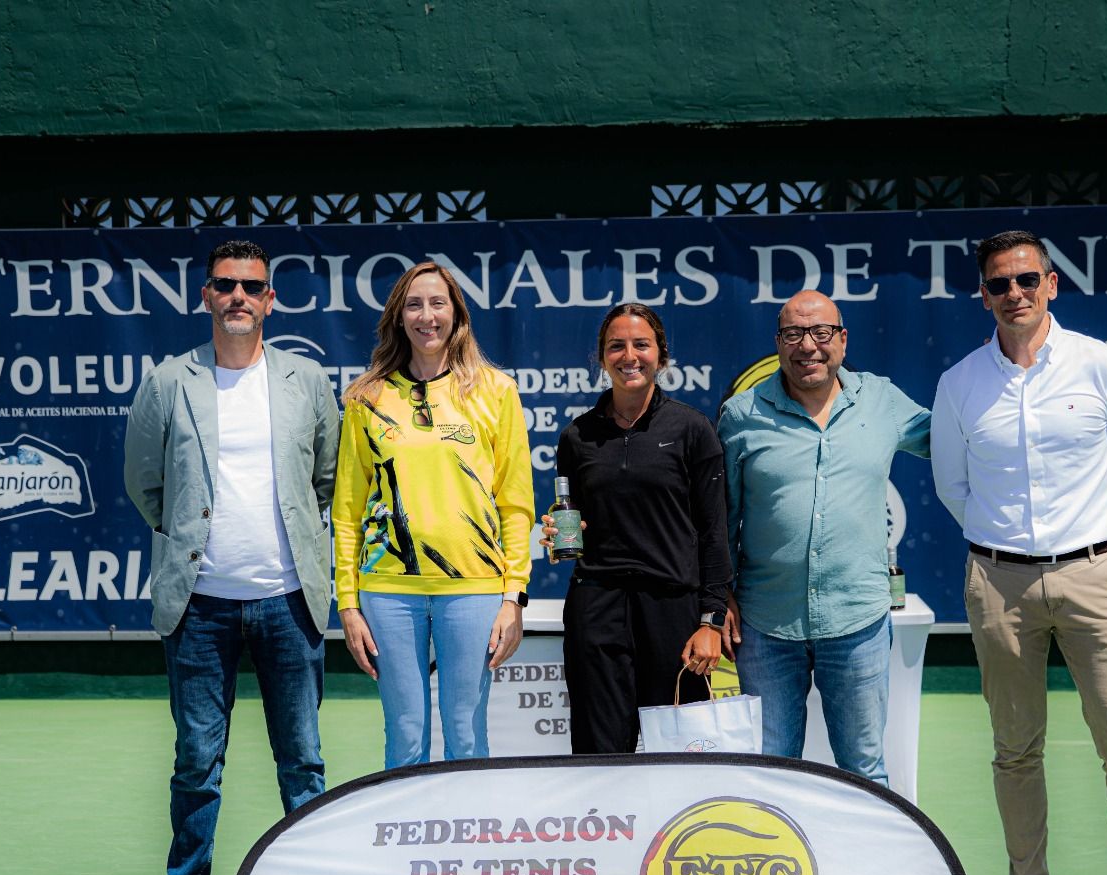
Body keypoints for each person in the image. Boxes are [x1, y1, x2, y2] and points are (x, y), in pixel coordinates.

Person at [930, 229, 1107, 875]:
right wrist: (1005, 549)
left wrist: (1101, 541)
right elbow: (953, 485)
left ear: (1052, 284)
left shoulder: (1103, 365)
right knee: (1015, 750)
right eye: (1000, 283)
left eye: (1027, 279)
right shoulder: (961, 383)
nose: (1016, 294)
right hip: (998, 582)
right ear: (984, 294)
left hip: (1095, 577)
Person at [124, 239, 339, 875]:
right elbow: (145, 482)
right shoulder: (168, 381)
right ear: (205, 297)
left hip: (288, 602)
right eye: (225, 286)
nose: (239, 297)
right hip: (199, 608)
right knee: (197, 761)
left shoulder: (306, 380)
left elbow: (328, 480)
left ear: (271, 300)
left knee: (303, 762)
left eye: (253, 286)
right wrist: (190, 536)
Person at [718, 290, 930, 784]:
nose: (807, 346)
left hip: (858, 621)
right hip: (765, 626)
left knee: (863, 771)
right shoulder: (742, 415)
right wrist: (719, 592)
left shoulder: (881, 400)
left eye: (820, 333)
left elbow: (954, 442)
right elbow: (720, 516)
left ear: (842, 338)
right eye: (793, 334)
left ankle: (862, 865)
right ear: (777, 342)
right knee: (770, 770)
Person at [333, 262, 533, 768]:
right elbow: (347, 511)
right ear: (398, 318)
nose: (427, 316)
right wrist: (348, 603)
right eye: (414, 305)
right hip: (388, 590)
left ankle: (470, 843)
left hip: (473, 588)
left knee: (467, 736)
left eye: (437, 304)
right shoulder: (366, 398)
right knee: (405, 736)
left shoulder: (495, 391)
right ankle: (405, 848)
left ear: (457, 315)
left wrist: (513, 597)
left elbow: (515, 504)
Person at [542, 304, 731, 753]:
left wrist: (711, 619)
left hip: (673, 610)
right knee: (598, 749)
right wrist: (558, 535)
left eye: (641, 345)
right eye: (617, 346)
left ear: (661, 356)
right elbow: (576, 520)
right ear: (602, 359)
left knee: (681, 752)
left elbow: (713, 532)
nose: (630, 356)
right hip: (597, 607)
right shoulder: (577, 436)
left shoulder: (692, 429)